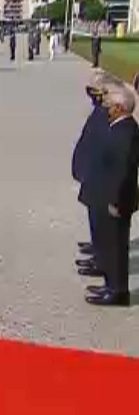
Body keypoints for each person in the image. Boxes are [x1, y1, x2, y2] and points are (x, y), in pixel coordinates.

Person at [82, 82, 139, 307]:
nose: (108, 108)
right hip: (111, 196)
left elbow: (123, 171)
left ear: (120, 108)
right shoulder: (120, 127)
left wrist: (115, 200)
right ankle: (111, 285)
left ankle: (118, 291)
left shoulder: (127, 131)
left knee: (116, 247)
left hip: (118, 200)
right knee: (110, 244)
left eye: (112, 105)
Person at [72, 72, 114, 275]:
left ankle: (102, 257)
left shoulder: (109, 113)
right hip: (93, 174)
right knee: (95, 218)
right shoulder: (100, 111)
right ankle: (98, 249)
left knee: (101, 219)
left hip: (100, 176)